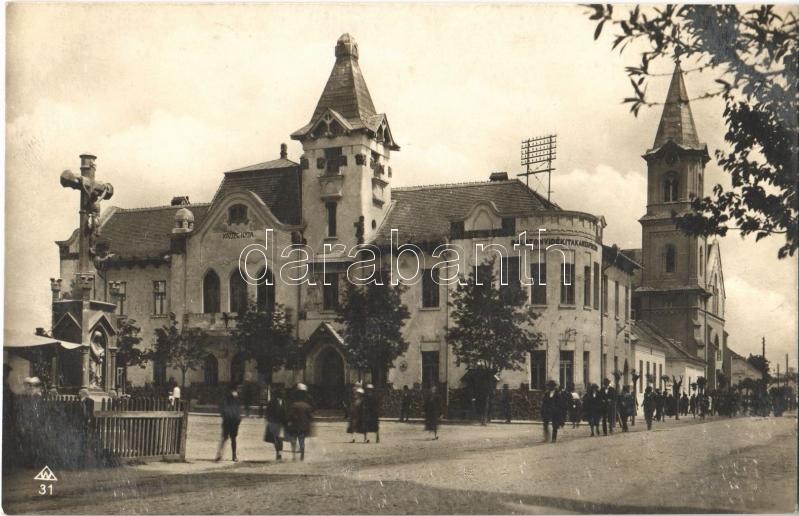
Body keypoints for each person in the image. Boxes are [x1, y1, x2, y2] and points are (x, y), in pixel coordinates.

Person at [284, 383, 313, 460]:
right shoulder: (307, 406)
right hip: (303, 427)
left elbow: (289, 416)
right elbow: (310, 417)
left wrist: (288, 422)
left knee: (293, 441)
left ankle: (294, 456)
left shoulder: (293, 405)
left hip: (294, 427)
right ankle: (302, 456)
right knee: (302, 441)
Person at [215, 384, 242, 462]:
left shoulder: (228, 397)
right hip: (231, 420)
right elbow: (238, 410)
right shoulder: (234, 398)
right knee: (232, 439)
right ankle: (233, 456)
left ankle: (220, 455)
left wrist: (224, 415)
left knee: (225, 438)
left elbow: (221, 408)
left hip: (230, 420)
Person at [264, 387, 286, 460]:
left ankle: (279, 454)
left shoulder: (284, 402)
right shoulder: (272, 402)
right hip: (274, 423)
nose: (282, 395)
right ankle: (278, 453)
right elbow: (267, 412)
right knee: (276, 439)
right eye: (281, 394)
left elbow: (286, 412)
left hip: (281, 423)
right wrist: (269, 420)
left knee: (279, 439)